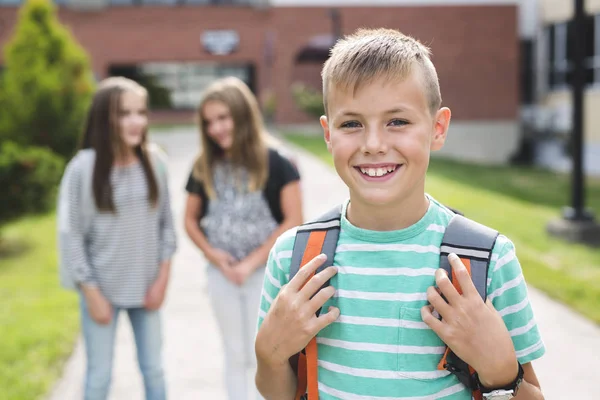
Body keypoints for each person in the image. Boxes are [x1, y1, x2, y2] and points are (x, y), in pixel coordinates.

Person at [255, 28, 545, 399]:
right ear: (328, 134)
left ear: (437, 128)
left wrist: (500, 372)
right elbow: (278, 391)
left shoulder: (485, 262)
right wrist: (269, 355)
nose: (374, 144)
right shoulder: (294, 258)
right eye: (351, 124)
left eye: (397, 121)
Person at [57, 77, 177, 400]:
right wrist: (91, 292)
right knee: (99, 376)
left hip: (146, 288)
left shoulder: (156, 163)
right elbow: (71, 236)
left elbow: (167, 227)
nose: (136, 121)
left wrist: (162, 279)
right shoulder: (83, 168)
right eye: (125, 113)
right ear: (104, 118)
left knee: (154, 369)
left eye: (141, 112)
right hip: (101, 290)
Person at [183, 76, 303, 400]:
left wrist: (250, 263)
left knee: (262, 353)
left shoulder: (277, 162)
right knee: (234, 354)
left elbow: (294, 219)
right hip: (222, 275)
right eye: (209, 122)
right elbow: (190, 220)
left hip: (264, 274)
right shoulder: (204, 166)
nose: (216, 128)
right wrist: (213, 255)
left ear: (243, 114)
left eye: (223, 118)